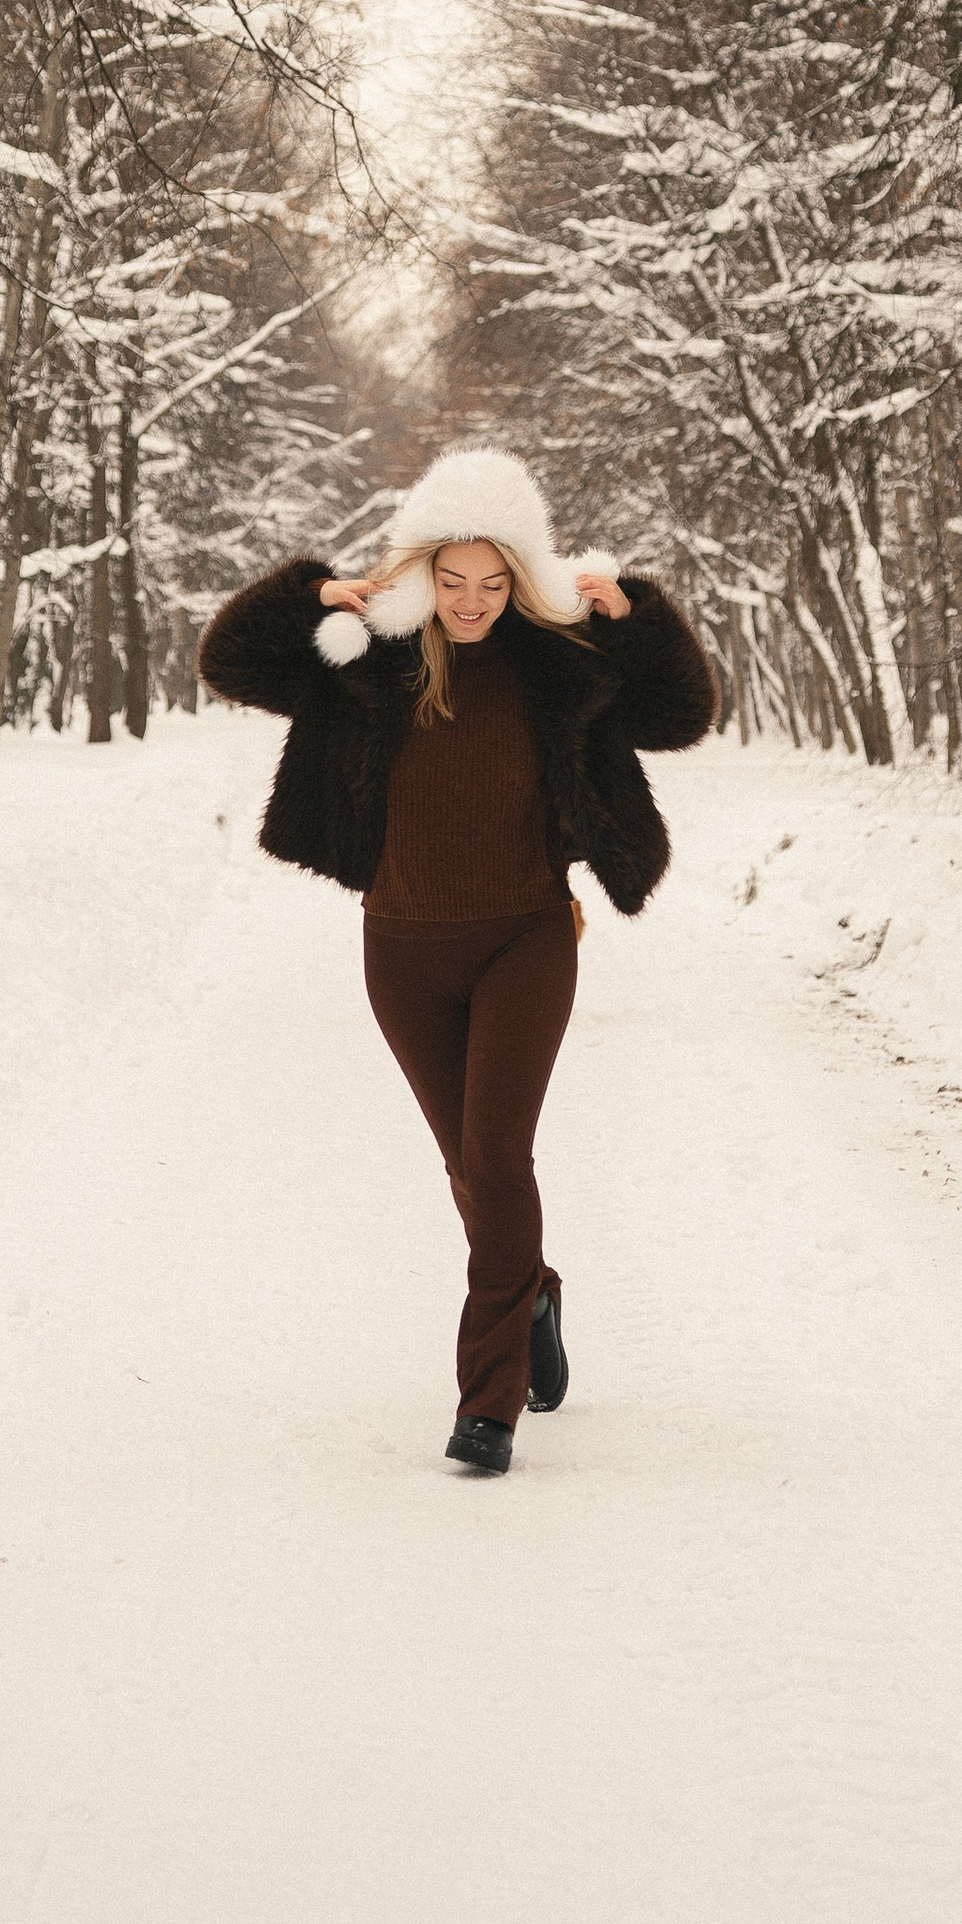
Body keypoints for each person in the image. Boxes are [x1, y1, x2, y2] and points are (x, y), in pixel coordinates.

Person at [196, 446, 716, 1476]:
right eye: (451, 580)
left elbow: (681, 716)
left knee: (496, 1157)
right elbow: (229, 662)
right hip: (401, 949)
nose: (472, 602)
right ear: (419, 574)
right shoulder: (364, 660)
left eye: (492, 582)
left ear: (519, 578)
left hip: (526, 936)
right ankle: (532, 1291)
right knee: (464, 1165)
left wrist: (637, 614)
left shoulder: (557, 660)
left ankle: (489, 1404)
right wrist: (309, 593)